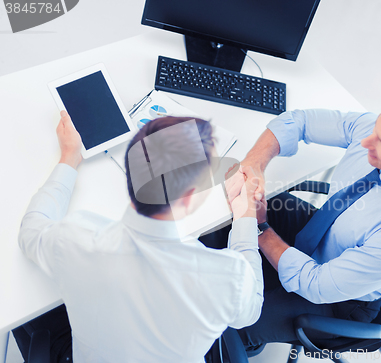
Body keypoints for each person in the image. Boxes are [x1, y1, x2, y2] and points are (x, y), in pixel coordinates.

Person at [209, 91, 381, 351]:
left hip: (338, 300)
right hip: (324, 233)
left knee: (227, 324)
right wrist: (255, 164)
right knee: (223, 215)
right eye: (376, 128)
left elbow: (315, 283)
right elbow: (299, 121)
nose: (365, 142)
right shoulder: (380, 133)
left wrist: (260, 228)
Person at [14, 111, 263, 363]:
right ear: (188, 196)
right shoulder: (228, 278)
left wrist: (69, 158)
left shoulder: (75, 239)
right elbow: (249, 313)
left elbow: (30, 230)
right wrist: (245, 213)